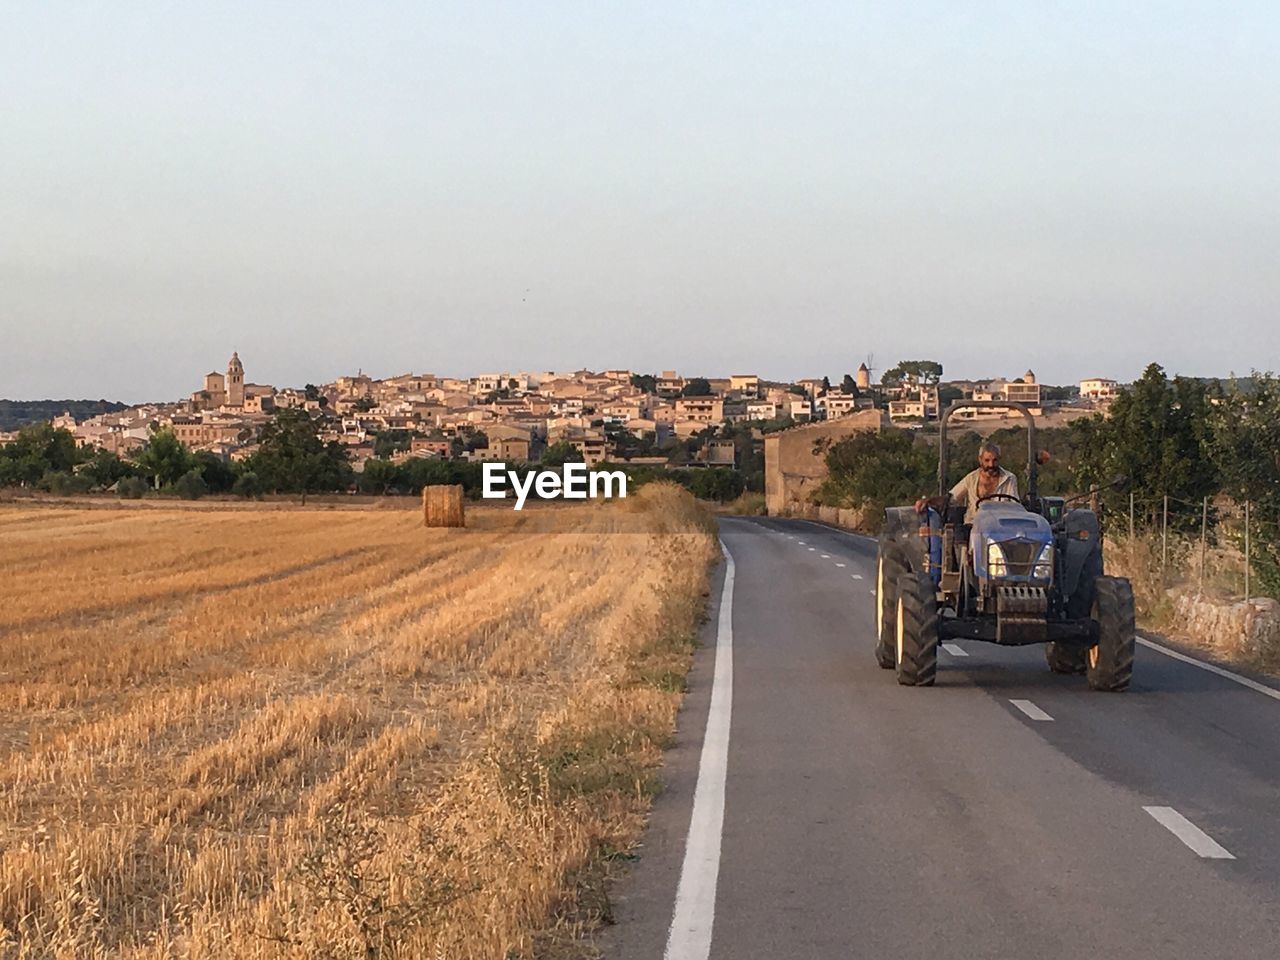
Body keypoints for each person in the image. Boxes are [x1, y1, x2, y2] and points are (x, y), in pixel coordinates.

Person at [915, 441, 1019, 524]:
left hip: (999, 526)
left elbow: (1015, 506)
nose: (991, 465)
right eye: (987, 460)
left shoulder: (1009, 479)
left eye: (995, 460)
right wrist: (928, 501)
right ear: (980, 460)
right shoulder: (971, 478)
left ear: (999, 460)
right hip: (974, 525)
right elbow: (951, 498)